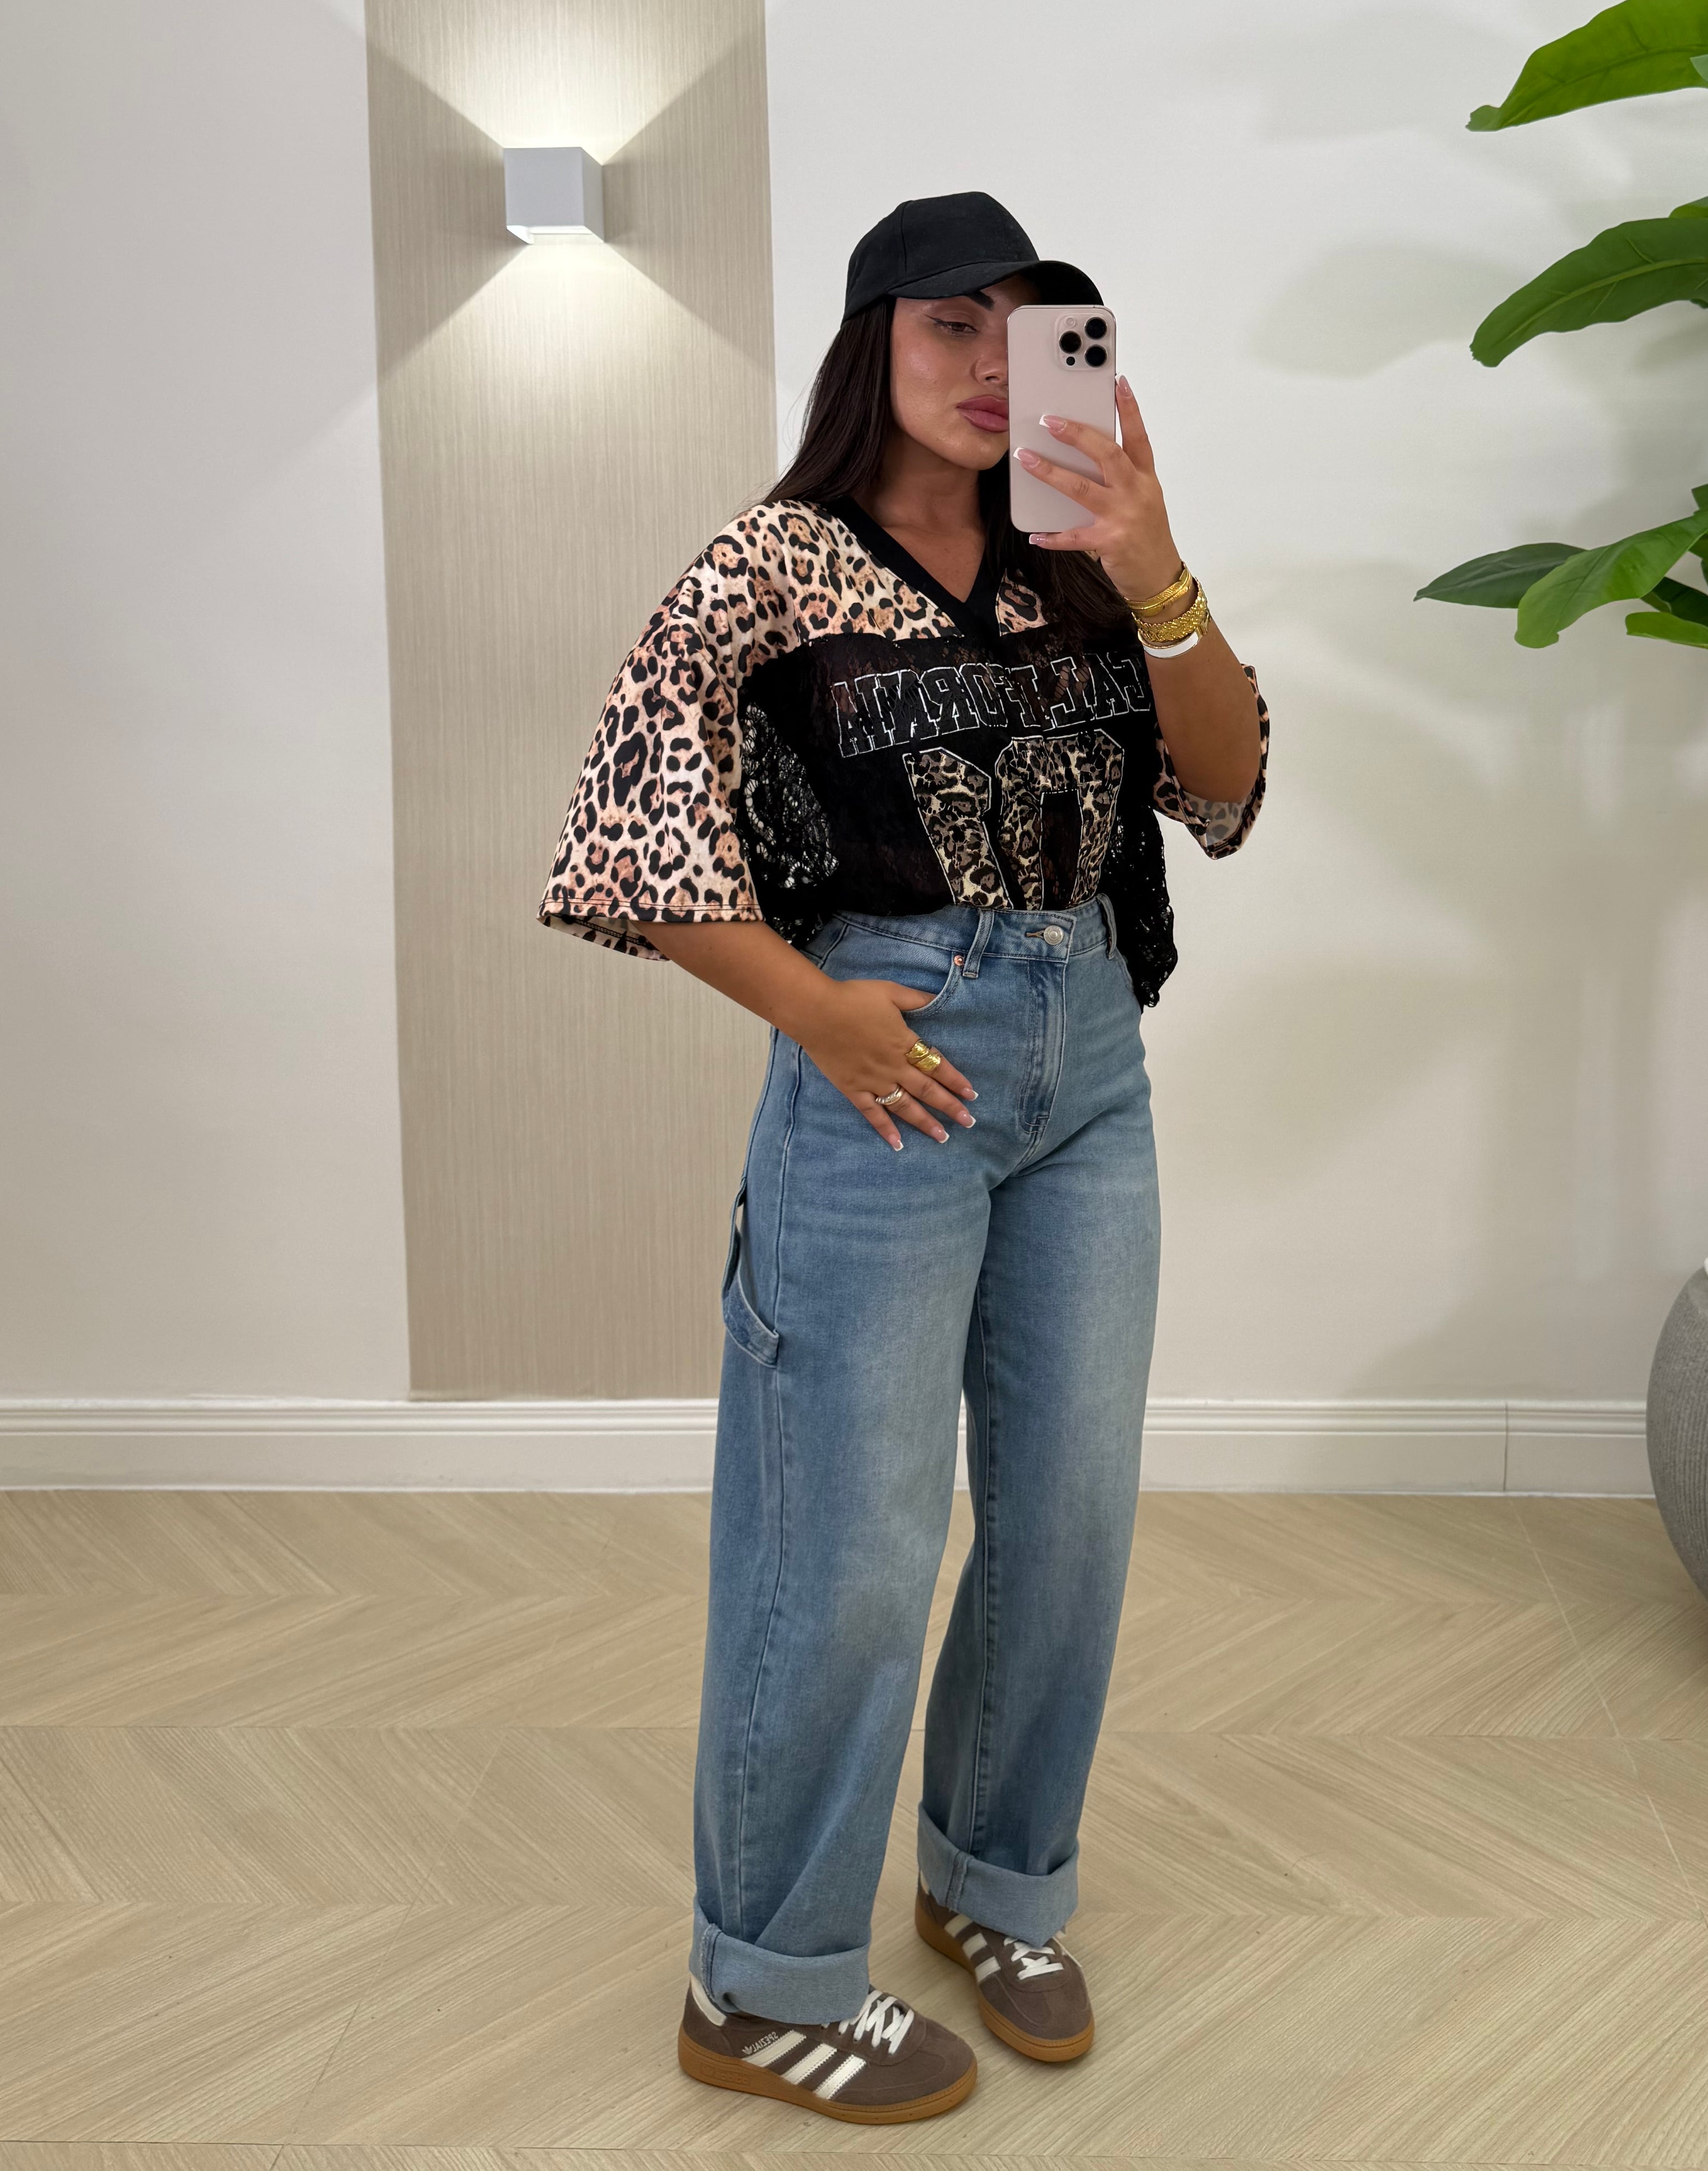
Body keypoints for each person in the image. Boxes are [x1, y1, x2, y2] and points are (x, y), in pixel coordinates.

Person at [540, 189, 1268, 2125]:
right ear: (873, 341)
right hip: (885, 1074)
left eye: (1028, 332)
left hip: (1086, 1071)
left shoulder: (1080, 564)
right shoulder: (771, 566)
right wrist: (818, 1012)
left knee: (1068, 1515)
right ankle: (760, 1980)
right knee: (849, 1543)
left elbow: (1223, 786)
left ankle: (992, 1884)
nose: (989, 366)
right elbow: (634, 834)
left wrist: (1158, 565)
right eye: (952, 324)